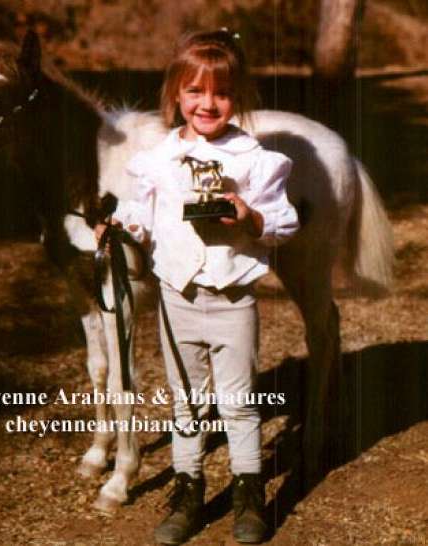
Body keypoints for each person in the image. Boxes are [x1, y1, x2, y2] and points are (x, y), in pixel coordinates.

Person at [96, 29, 299, 545]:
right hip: (177, 297)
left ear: (238, 97)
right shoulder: (159, 159)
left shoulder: (252, 157)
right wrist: (119, 228)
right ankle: (188, 490)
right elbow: (140, 214)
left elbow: (283, 222)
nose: (208, 103)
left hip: (233, 297)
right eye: (195, 91)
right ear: (176, 95)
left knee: (239, 400)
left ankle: (248, 491)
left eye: (222, 93)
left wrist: (249, 217)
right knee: (186, 399)